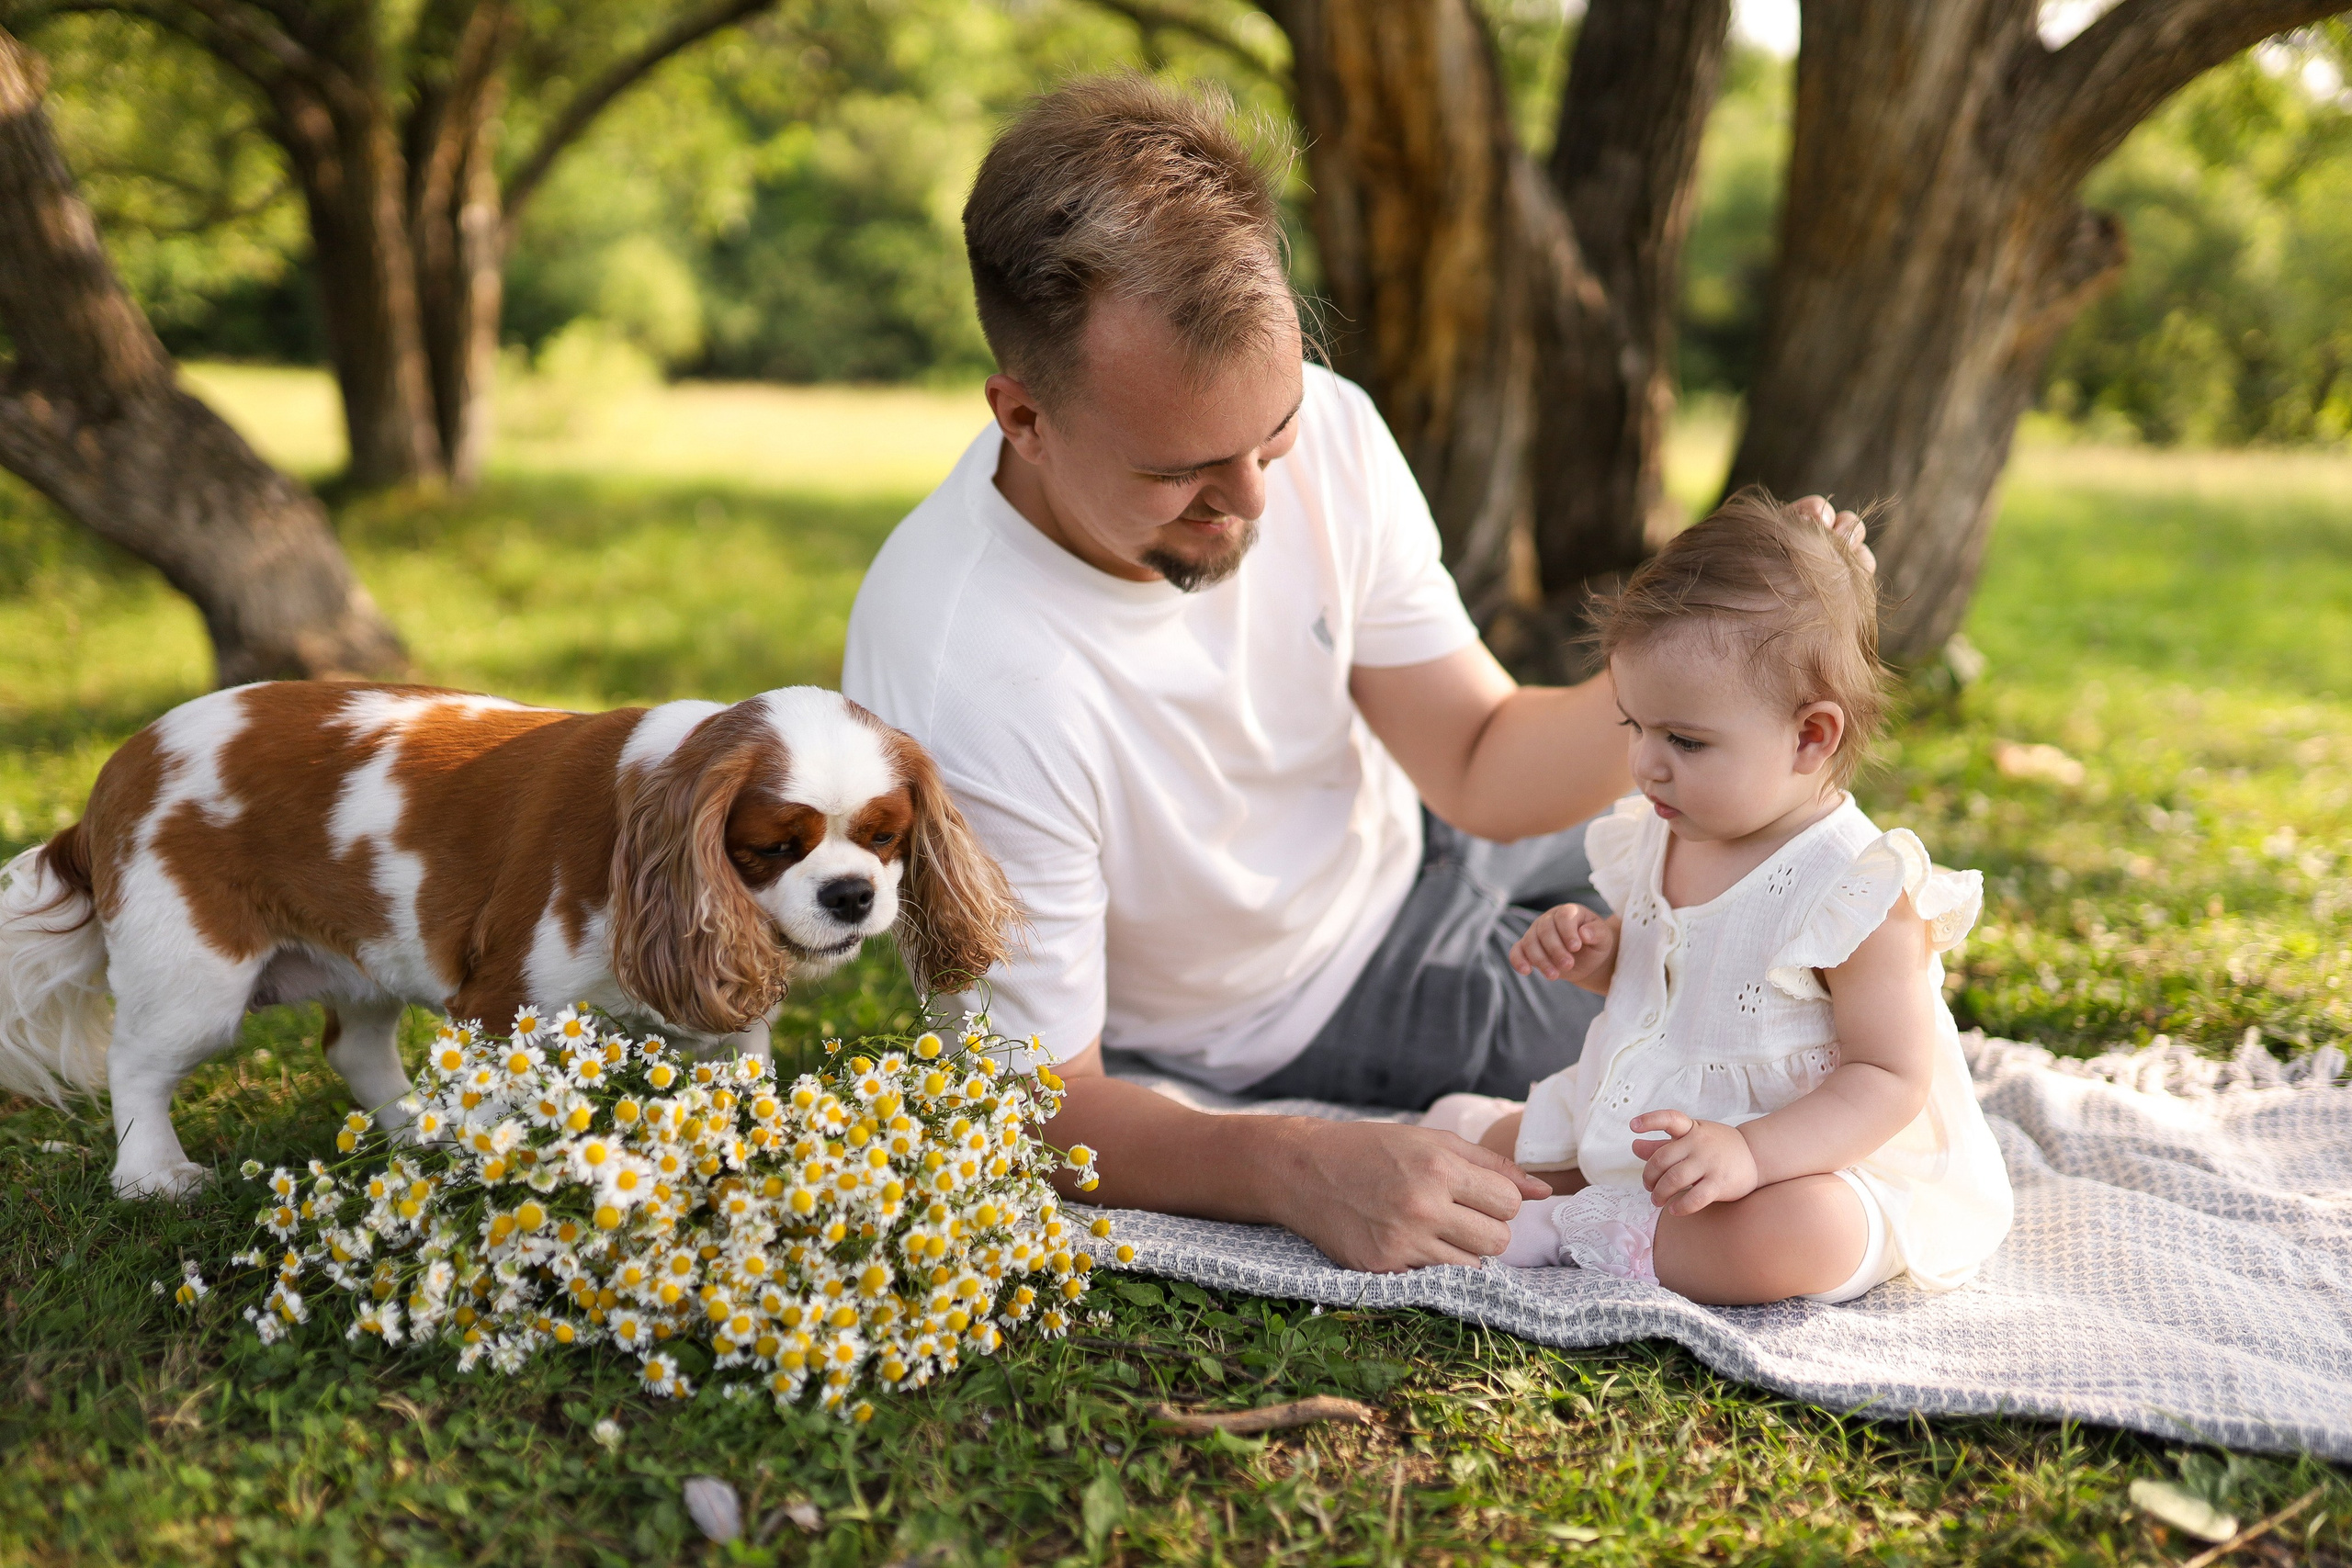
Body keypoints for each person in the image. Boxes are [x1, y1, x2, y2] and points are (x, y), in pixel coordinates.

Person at [842, 74, 1868, 1273]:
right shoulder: (961, 672)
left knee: (1807, 890)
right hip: (1315, 988)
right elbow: (1030, 1100)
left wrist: (1724, 672)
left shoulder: (1329, 427)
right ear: (1022, 417)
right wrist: (1287, 1163)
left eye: (1270, 436)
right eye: (1183, 473)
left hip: (1426, 825)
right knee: (1766, 1047)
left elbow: (1480, 759)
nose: (1256, 504)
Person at [1427, 491, 2013, 1303]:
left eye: (1686, 741)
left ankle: (1580, 1233)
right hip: (1664, 1125)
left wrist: (1754, 1155)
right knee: (1517, 1141)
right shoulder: (1673, 825)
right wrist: (1599, 952)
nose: (1647, 764)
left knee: (1798, 1235)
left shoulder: (1860, 888)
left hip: (1812, 1156)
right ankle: (1531, 1173)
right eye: (1636, 726)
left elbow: (1888, 1076)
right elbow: (1676, 980)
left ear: (1812, 736)